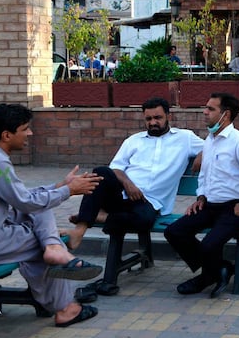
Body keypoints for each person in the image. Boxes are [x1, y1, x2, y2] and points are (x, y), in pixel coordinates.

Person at [0, 103, 103, 327]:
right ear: (6, 135)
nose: (30, 133)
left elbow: (21, 197)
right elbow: (25, 202)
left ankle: (54, 251)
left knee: (42, 223)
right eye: (25, 129)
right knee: (41, 242)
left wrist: (60, 185)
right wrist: (69, 191)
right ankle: (65, 308)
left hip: (2, 229)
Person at [62, 98, 204, 261]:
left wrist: (201, 154)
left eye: (158, 118)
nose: (153, 123)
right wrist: (128, 184)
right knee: (100, 172)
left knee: (144, 221)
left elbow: (212, 147)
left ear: (168, 117)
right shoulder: (134, 141)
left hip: (150, 203)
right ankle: (79, 232)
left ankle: (95, 215)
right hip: (121, 195)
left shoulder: (185, 138)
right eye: (148, 119)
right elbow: (115, 168)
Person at [164, 93, 239, 298]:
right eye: (206, 107)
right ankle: (220, 269)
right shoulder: (210, 140)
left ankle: (207, 276)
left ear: (225, 115)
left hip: (236, 208)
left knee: (210, 244)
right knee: (175, 232)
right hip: (211, 205)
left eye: (211, 109)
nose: (205, 112)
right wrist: (201, 197)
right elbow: (205, 174)